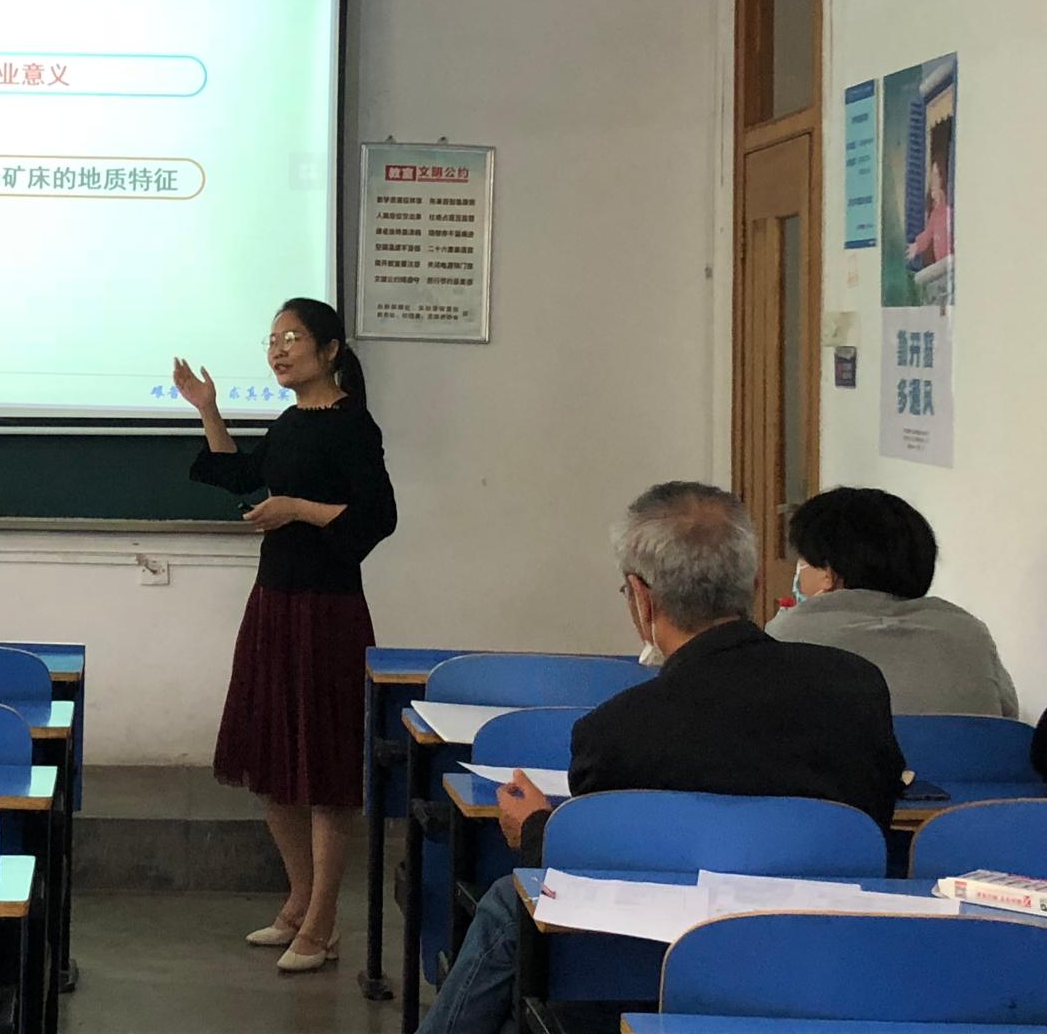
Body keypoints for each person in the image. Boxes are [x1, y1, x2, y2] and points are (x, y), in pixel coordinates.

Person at [422, 482, 905, 1034]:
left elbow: (597, 879)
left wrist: (536, 830)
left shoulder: (615, 731)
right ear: (753, 585)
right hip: (827, 961)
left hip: (655, 967)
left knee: (512, 911)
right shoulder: (857, 687)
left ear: (641, 597)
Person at [175, 297, 397, 974]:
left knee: (326, 768)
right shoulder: (292, 421)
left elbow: (378, 517)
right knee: (272, 760)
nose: (277, 349)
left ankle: (324, 922)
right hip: (274, 602)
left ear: (330, 351)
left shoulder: (353, 425)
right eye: (272, 339)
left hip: (328, 609)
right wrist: (209, 409)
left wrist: (298, 508)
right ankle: (300, 902)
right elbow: (241, 475)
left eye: (292, 337)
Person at [769, 487, 1017, 717]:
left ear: (828, 573)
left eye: (803, 560)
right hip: (964, 753)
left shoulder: (787, 635)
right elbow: (1007, 722)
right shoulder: (969, 632)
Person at [907, 117, 953, 269]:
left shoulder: (950, 213)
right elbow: (927, 235)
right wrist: (915, 247)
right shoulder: (935, 215)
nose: (932, 184)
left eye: (936, 177)